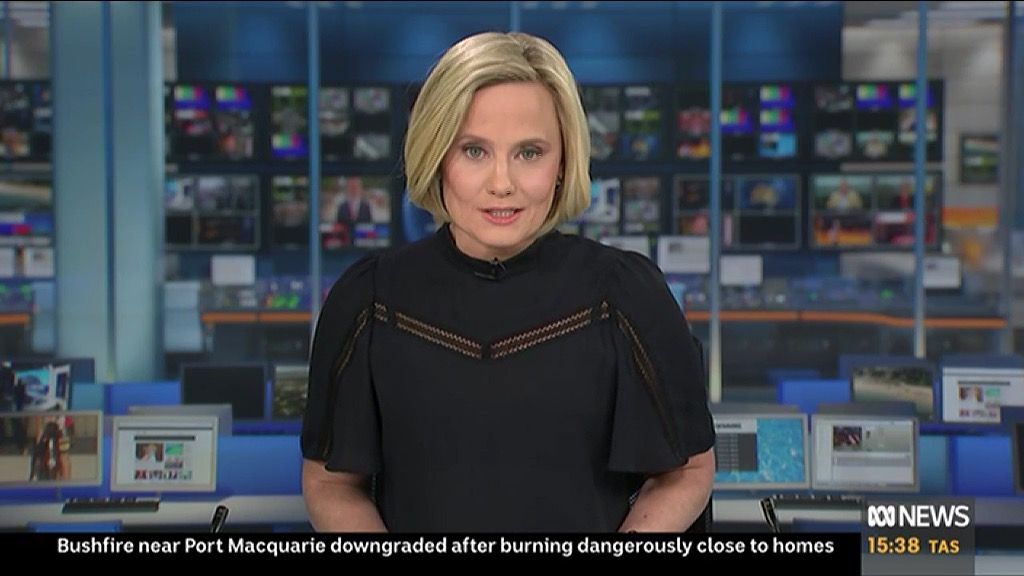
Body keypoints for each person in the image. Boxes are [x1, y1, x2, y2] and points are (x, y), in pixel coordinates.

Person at [302, 31, 715, 533]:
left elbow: (686, 472)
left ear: (563, 163)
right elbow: (330, 483)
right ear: (436, 155)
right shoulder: (368, 300)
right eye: (474, 151)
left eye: (529, 153)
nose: (502, 183)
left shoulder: (627, 295)